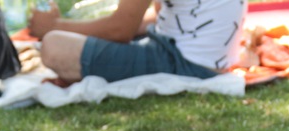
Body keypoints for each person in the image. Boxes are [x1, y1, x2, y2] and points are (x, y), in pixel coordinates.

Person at [26, 0, 246, 84]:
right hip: (212, 60)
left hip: (185, 65)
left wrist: (53, 27)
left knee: (54, 45)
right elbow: (161, 16)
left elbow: (120, 30)